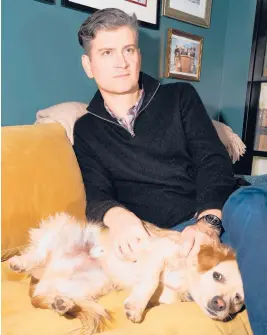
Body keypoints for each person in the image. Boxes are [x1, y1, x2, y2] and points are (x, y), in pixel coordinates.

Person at [73, 8, 267, 335]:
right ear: (89, 65)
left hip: (226, 206)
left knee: (253, 207)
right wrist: (116, 216)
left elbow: (213, 162)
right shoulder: (87, 130)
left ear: (138, 54)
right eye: (107, 52)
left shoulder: (179, 96)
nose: (121, 62)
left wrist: (209, 221)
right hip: (175, 233)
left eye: (128, 50)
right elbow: (96, 193)